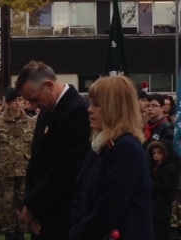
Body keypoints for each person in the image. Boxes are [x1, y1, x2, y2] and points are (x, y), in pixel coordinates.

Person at [69, 75, 153, 240]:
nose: (89, 109)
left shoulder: (126, 148)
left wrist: (80, 234)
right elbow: (81, 197)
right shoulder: (99, 145)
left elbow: (109, 207)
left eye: (97, 104)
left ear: (114, 108)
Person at [15, 61, 91, 240]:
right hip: (43, 213)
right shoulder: (49, 111)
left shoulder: (77, 111)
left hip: (61, 214)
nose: (33, 107)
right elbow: (37, 162)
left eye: (34, 99)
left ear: (48, 85)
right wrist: (32, 207)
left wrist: (32, 206)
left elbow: (64, 170)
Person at [0, 88, 36, 240]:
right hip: (5, 169)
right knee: (6, 204)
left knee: (22, 202)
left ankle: (21, 232)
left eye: (20, 100)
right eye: (15, 100)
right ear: (7, 103)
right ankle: (9, 233)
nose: (18, 103)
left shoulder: (29, 122)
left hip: (24, 168)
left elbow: (34, 146)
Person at [147, 140, 179, 240]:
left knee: (161, 232)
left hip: (162, 208)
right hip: (154, 207)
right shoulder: (153, 168)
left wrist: (149, 183)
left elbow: (166, 187)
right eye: (154, 153)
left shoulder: (169, 169)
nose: (156, 156)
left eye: (159, 153)